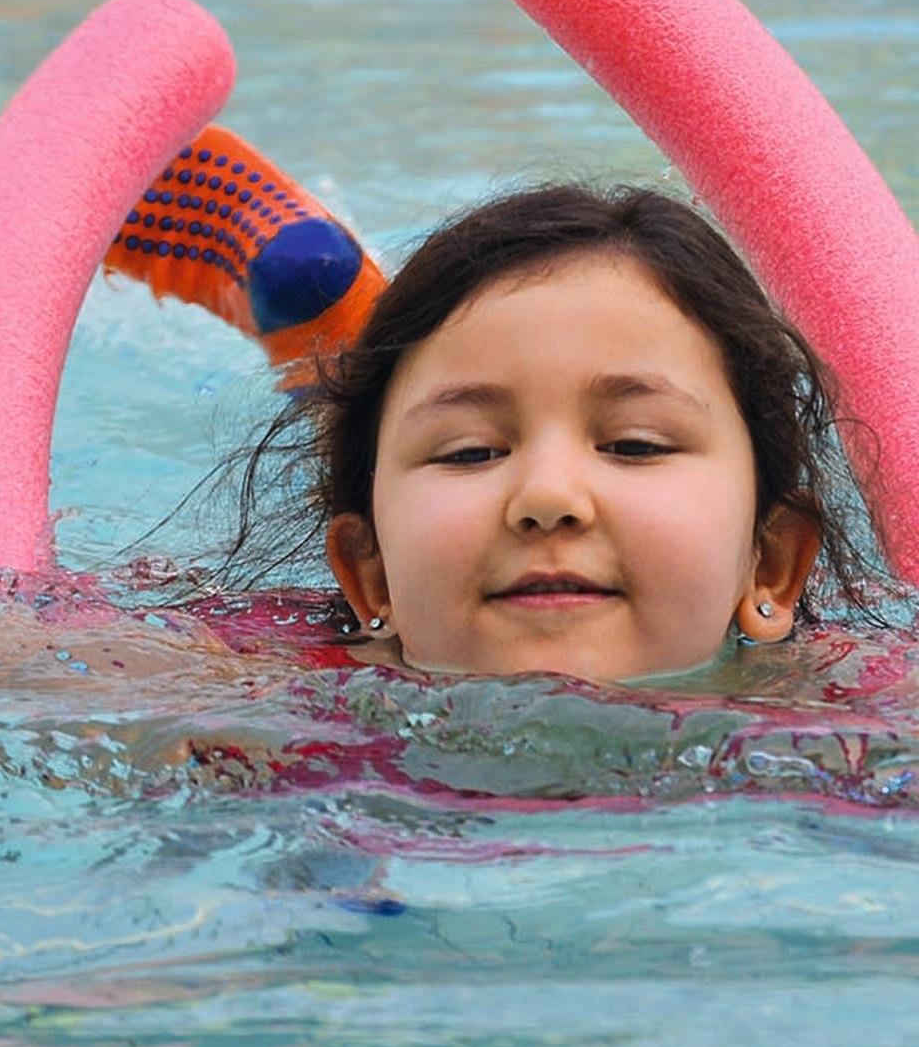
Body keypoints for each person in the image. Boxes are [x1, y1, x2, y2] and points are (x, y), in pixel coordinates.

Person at [212, 179, 878, 687]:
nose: (548, 496)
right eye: (470, 452)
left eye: (635, 445)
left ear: (770, 566)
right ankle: (326, 337)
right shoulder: (251, 688)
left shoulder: (862, 723)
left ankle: (327, 334)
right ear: (373, 577)